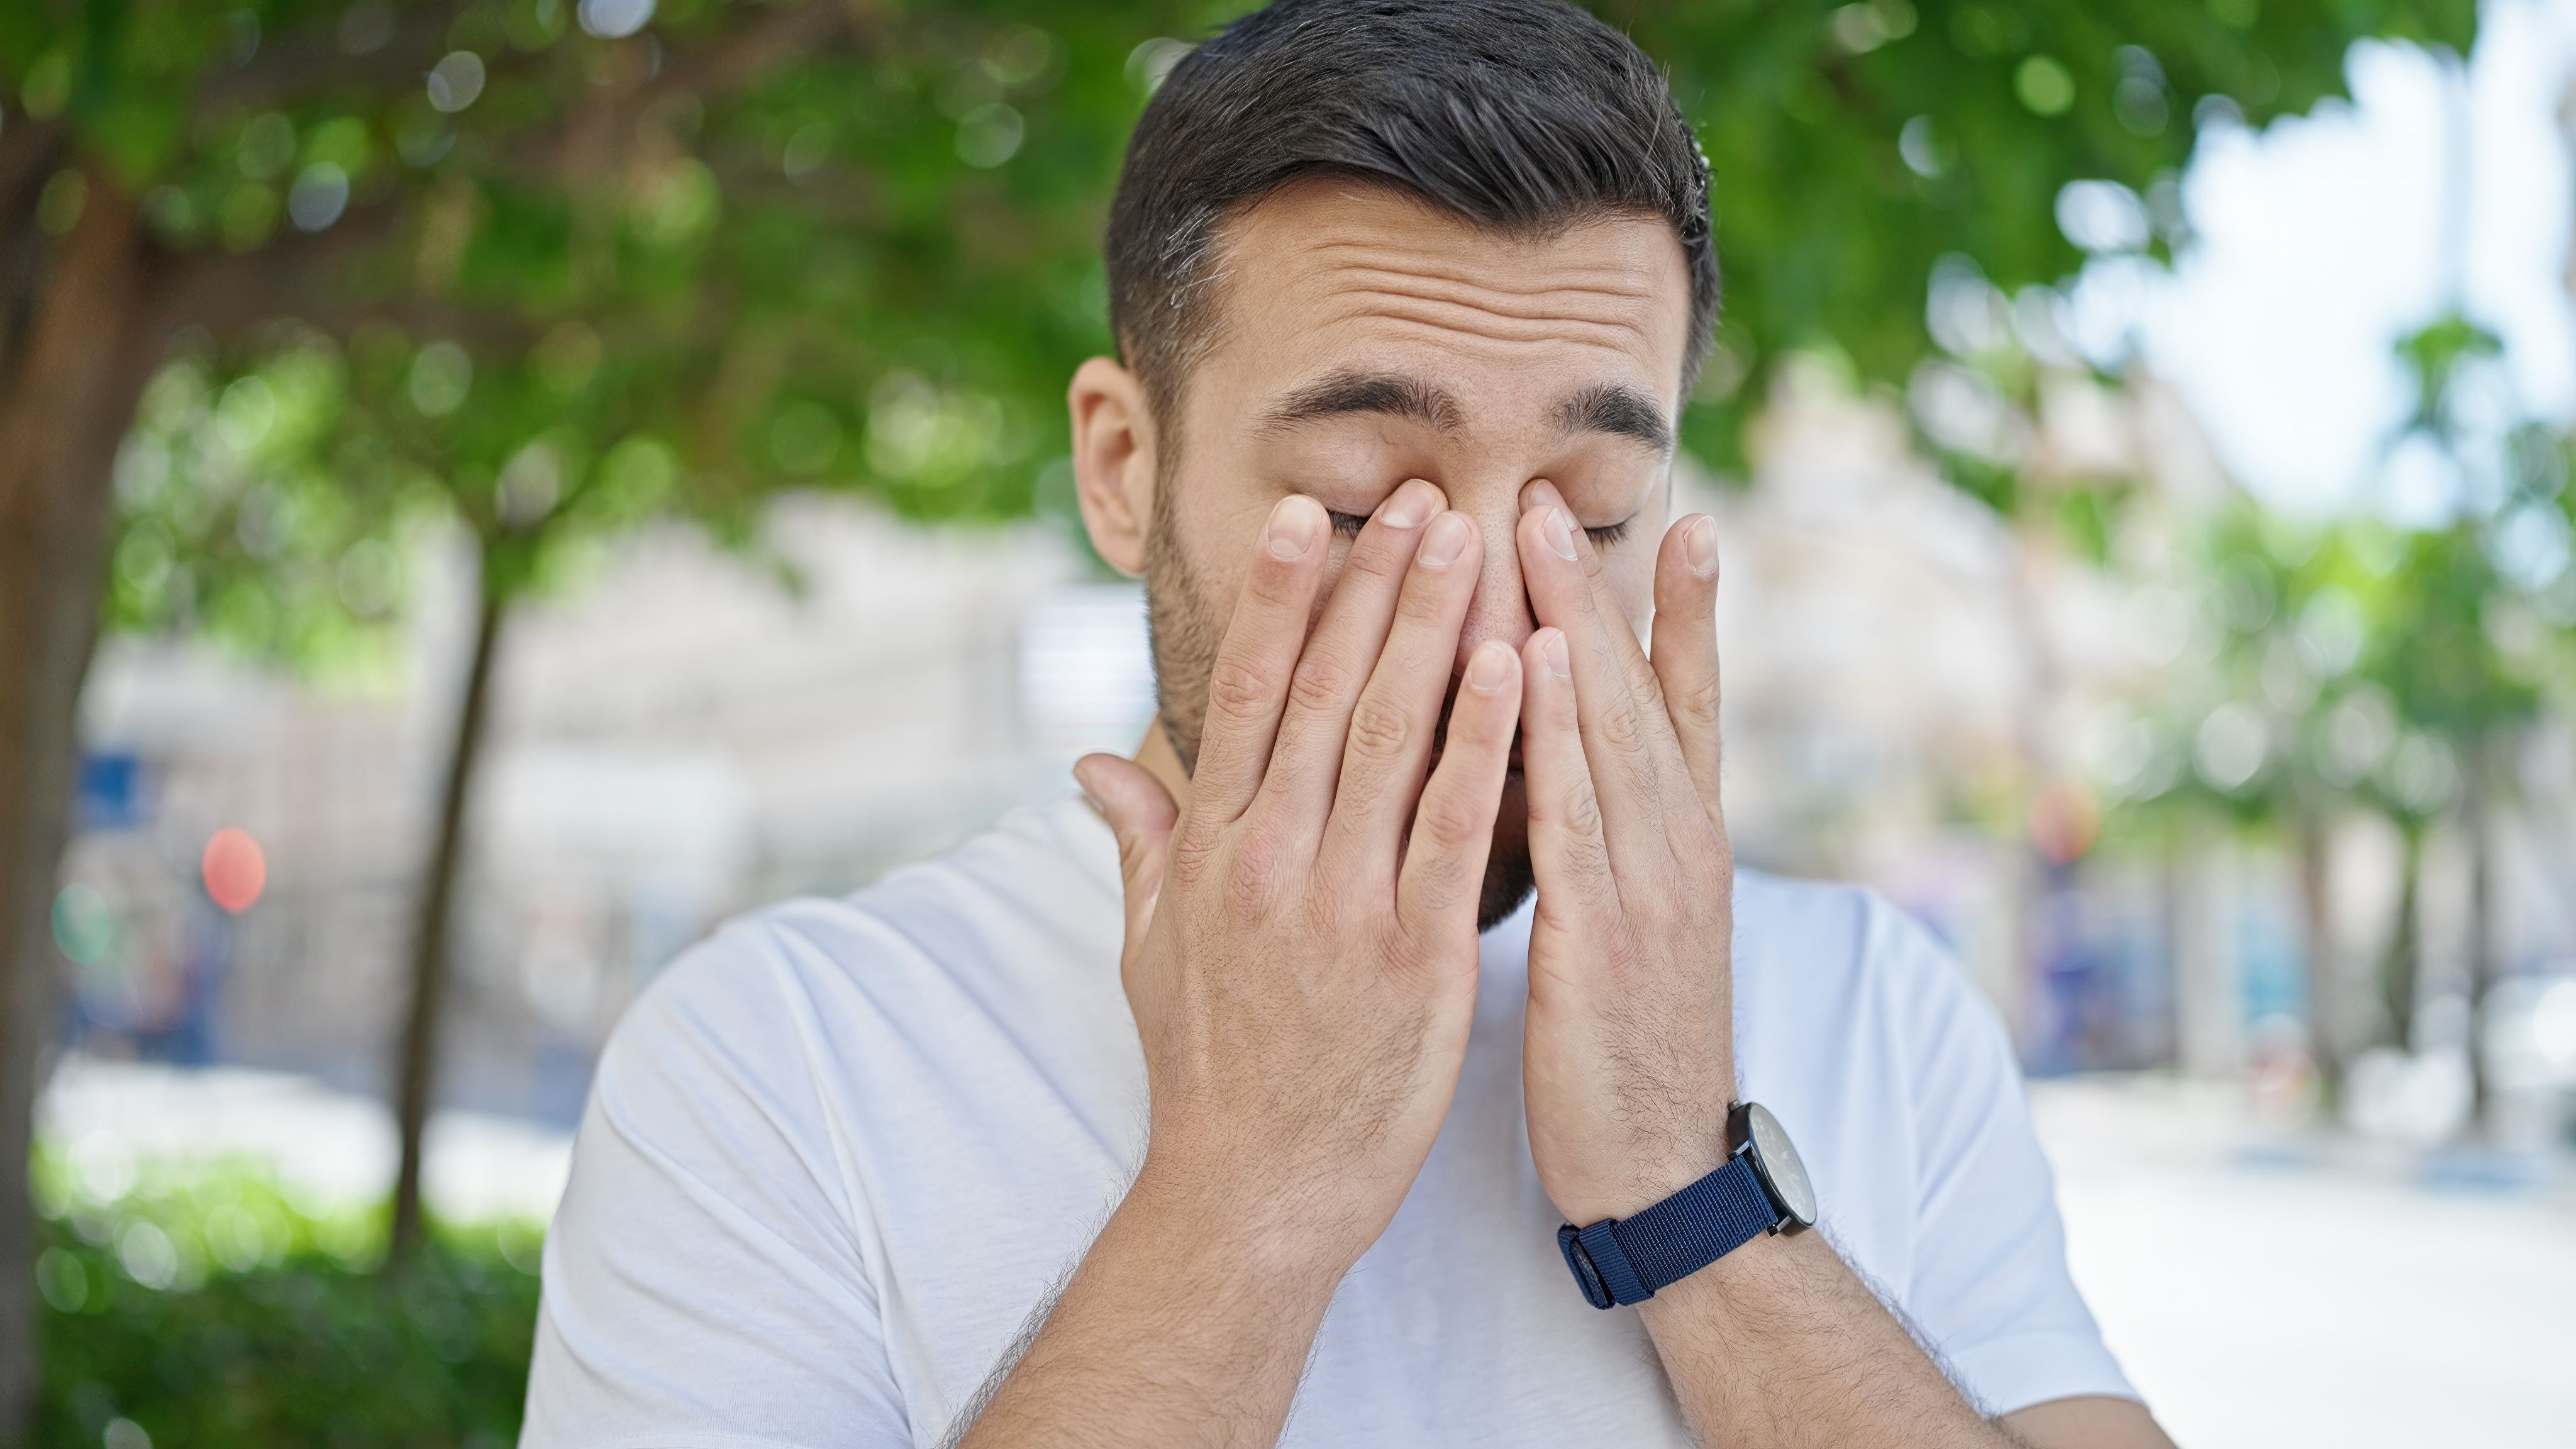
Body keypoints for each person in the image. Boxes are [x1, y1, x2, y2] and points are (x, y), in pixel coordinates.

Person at [520, 2, 2175, 1445]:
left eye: (1591, 514)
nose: (1487, 609)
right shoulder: (779, 1062)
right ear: (1124, 467)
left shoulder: (1879, 1010)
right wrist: (1244, 1196)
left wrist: (1696, 1196)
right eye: (1366, 496)